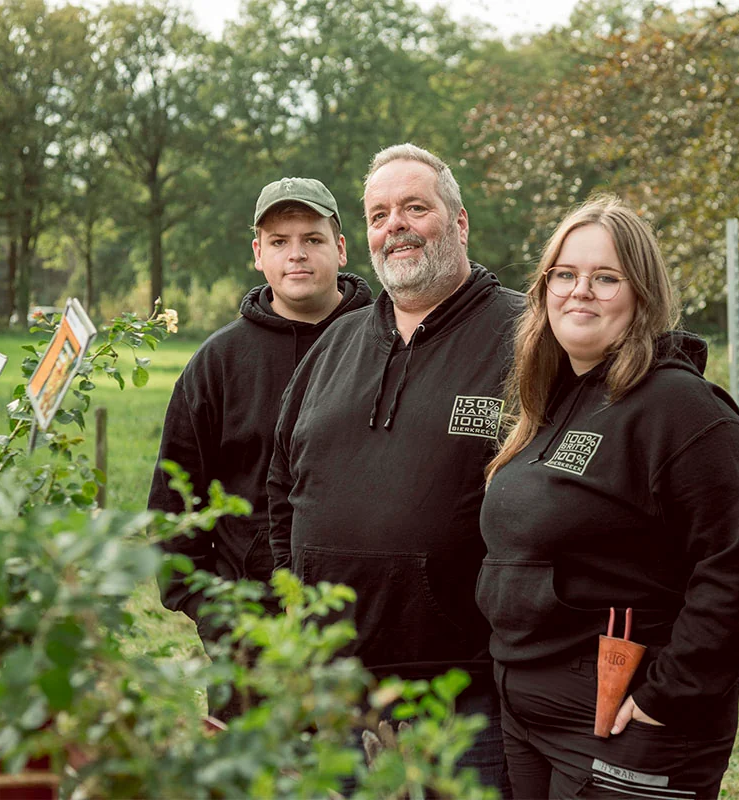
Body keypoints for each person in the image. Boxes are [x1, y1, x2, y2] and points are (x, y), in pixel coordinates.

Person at [477, 196, 739, 799]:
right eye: (564, 274)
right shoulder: (553, 401)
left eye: (605, 277)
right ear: (543, 290)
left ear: (642, 294)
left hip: (623, 726)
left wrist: (668, 694)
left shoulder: (681, 410)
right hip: (529, 715)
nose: (579, 291)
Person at [266, 143, 522, 793]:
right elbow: (279, 489)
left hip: (469, 697)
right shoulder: (338, 344)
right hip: (341, 693)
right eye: (379, 214)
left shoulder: (526, 337)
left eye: (414, 207)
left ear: (459, 223)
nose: (395, 226)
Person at [149, 177, 371, 720]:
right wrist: (215, 614)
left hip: (368, 630)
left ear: (340, 249)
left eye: (313, 239)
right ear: (258, 254)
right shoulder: (218, 362)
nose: (297, 254)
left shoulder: (386, 342)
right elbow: (172, 508)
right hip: (249, 634)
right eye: (279, 241)